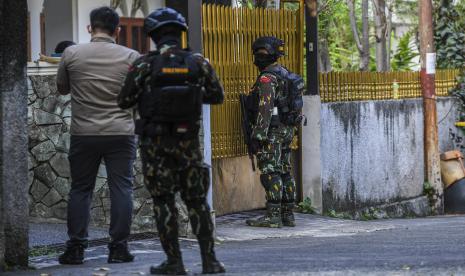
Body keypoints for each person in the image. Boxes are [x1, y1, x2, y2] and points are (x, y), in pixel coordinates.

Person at [117, 8, 225, 275]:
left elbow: (124, 100)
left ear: (153, 35)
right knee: (197, 202)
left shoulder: (143, 64)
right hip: (188, 143)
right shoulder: (198, 63)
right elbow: (217, 96)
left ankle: (174, 262)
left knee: (163, 202)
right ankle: (210, 261)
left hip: (155, 145)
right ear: (180, 33)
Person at [56, 6, 140, 265]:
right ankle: (118, 248)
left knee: (80, 189)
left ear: (90, 28)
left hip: (84, 133)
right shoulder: (132, 56)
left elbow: (62, 88)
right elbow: (137, 95)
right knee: (122, 188)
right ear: (117, 30)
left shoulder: (71, 54)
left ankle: (76, 248)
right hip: (121, 133)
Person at [245, 36, 298, 228]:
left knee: (269, 171)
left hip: (272, 133)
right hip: (287, 130)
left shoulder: (267, 78)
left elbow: (265, 109)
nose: (256, 58)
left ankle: (273, 216)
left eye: (259, 54)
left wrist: (258, 136)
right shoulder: (284, 73)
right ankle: (288, 214)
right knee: (285, 170)